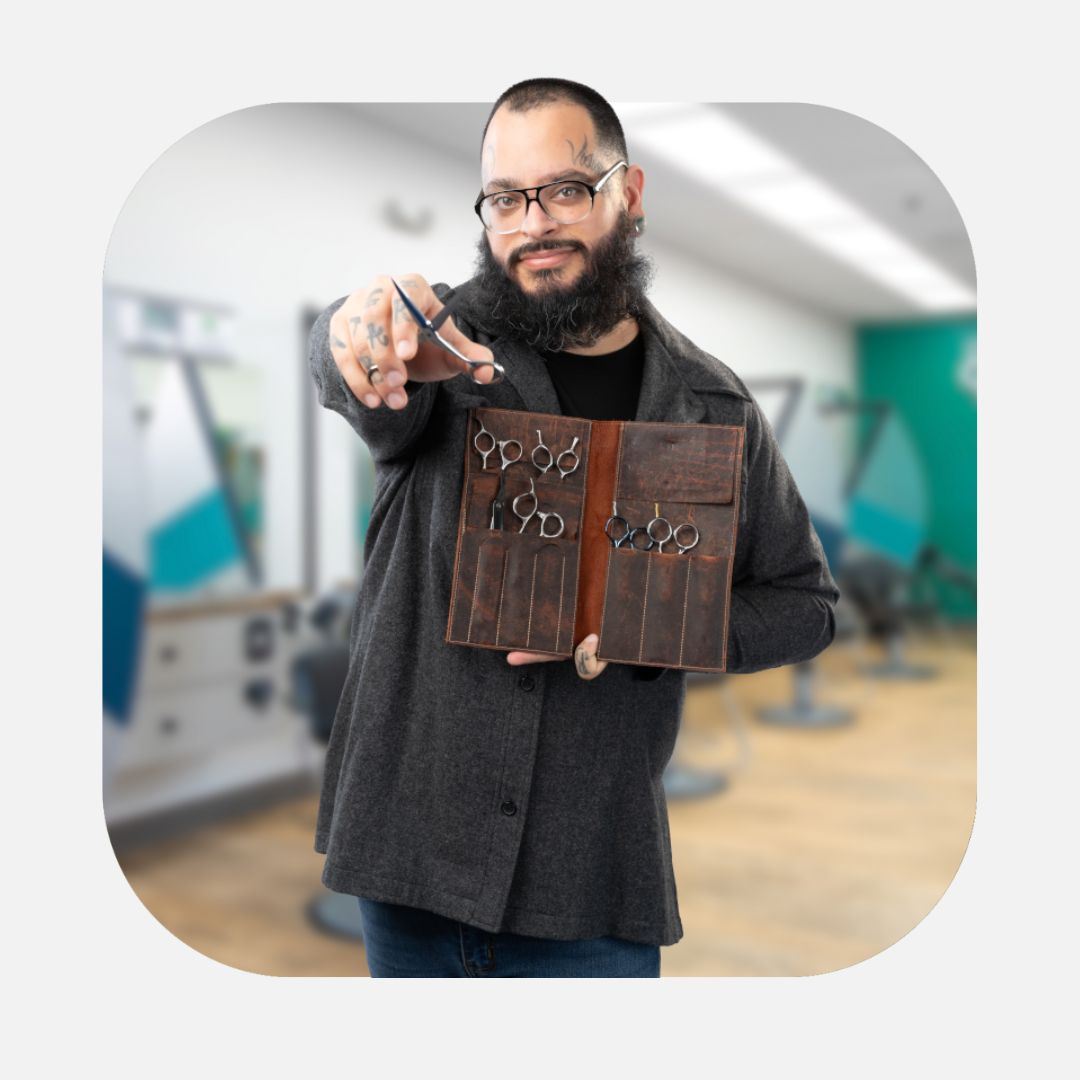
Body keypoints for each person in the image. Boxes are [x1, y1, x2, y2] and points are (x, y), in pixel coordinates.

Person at [307, 78, 840, 978]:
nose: (532, 223)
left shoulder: (710, 406)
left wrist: (635, 625)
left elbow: (805, 606)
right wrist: (346, 340)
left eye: (564, 189)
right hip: (413, 849)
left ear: (627, 194)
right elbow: (356, 370)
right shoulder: (438, 349)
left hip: (592, 874)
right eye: (506, 199)